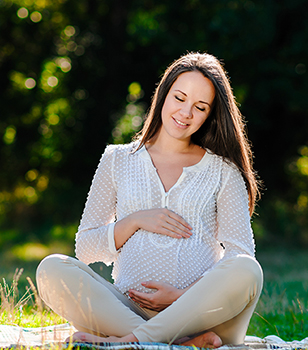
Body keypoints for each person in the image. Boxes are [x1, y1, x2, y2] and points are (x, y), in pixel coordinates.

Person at [36, 52, 263, 348]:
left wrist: (182, 297)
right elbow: (86, 247)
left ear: (210, 114)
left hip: (205, 319)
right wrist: (134, 221)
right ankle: (175, 343)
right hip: (127, 310)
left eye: (200, 107)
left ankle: (132, 342)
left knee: (247, 269)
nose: (185, 113)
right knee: (52, 268)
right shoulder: (117, 159)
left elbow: (239, 252)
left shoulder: (223, 171)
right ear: (164, 94)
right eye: (179, 98)